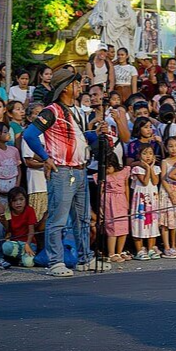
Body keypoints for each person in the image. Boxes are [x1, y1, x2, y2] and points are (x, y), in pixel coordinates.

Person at [22, 69, 109, 278]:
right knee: (58, 219)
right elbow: (30, 134)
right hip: (62, 171)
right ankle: (55, 261)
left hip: (80, 170)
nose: (80, 87)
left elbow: (78, 137)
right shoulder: (51, 111)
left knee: (83, 219)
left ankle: (85, 258)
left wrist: (95, 135)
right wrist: (45, 157)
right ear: (67, 87)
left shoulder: (76, 111)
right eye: (77, 84)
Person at [130, 144, 161, 260]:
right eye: (144, 153)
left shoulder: (156, 168)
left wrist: (151, 168)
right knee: (139, 223)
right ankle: (139, 250)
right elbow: (144, 181)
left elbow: (155, 181)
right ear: (139, 156)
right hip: (141, 200)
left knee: (152, 224)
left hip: (152, 200)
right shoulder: (137, 169)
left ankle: (151, 248)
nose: (148, 156)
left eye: (150, 153)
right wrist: (147, 168)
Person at [102, 152, 131, 264]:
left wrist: (128, 202)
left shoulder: (123, 172)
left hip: (121, 200)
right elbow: (101, 191)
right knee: (112, 227)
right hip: (109, 202)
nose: (107, 169)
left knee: (123, 227)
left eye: (109, 166)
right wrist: (101, 206)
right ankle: (111, 253)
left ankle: (119, 251)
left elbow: (126, 187)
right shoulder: (104, 177)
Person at [158, 136, 176, 259]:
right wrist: (171, 193)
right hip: (166, 193)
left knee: (175, 221)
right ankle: (167, 247)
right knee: (165, 221)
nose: (174, 149)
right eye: (171, 146)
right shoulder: (165, 162)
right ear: (166, 148)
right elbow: (163, 179)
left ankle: (174, 245)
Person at [2, 186, 36, 268]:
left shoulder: (29, 210)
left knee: (28, 264)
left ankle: (22, 258)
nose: (18, 203)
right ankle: (20, 257)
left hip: (29, 243)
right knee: (6, 246)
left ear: (26, 200)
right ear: (10, 202)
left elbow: (31, 230)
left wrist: (27, 244)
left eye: (21, 199)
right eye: (14, 200)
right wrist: (4, 220)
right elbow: (8, 230)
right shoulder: (8, 212)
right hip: (16, 243)